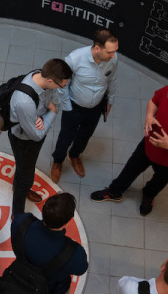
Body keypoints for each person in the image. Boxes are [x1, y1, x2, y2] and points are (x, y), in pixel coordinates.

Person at [92, 72, 168, 215]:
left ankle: (148, 196)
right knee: (130, 169)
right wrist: (149, 116)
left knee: (158, 182)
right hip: (148, 145)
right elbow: (153, 102)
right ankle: (114, 191)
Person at [6, 193, 88, 294]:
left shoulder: (21, 221)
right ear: (68, 221)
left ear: (43, 210)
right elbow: (81, 269)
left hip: (18, 278)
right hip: (51, 291)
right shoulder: (73, 253)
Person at [50, 29, 119, 183]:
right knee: (65, 137)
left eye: (115, 51)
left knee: (85, 135)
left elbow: (112, 81)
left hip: (96, 107)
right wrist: (67, 107)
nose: (113, 56)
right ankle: (58, 161)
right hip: (74, 107)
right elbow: (62, 85)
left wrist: (110, 101)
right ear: (97, 48)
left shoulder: (113, 59)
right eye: (110, 52)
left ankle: (74, 155)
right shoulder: (74, 59)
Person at [9, 59, 73, 213]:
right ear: (50, 80)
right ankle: (17, 211)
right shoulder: (24, 102)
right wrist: (51, 113)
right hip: (24, 141)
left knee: (25, 169)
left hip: (31, 134)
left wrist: (42, 115)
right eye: (61, 86)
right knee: (26, 175)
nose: (63, 88)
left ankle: (21, 187)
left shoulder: (40, 76)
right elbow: (36, 135)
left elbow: (54, 101)